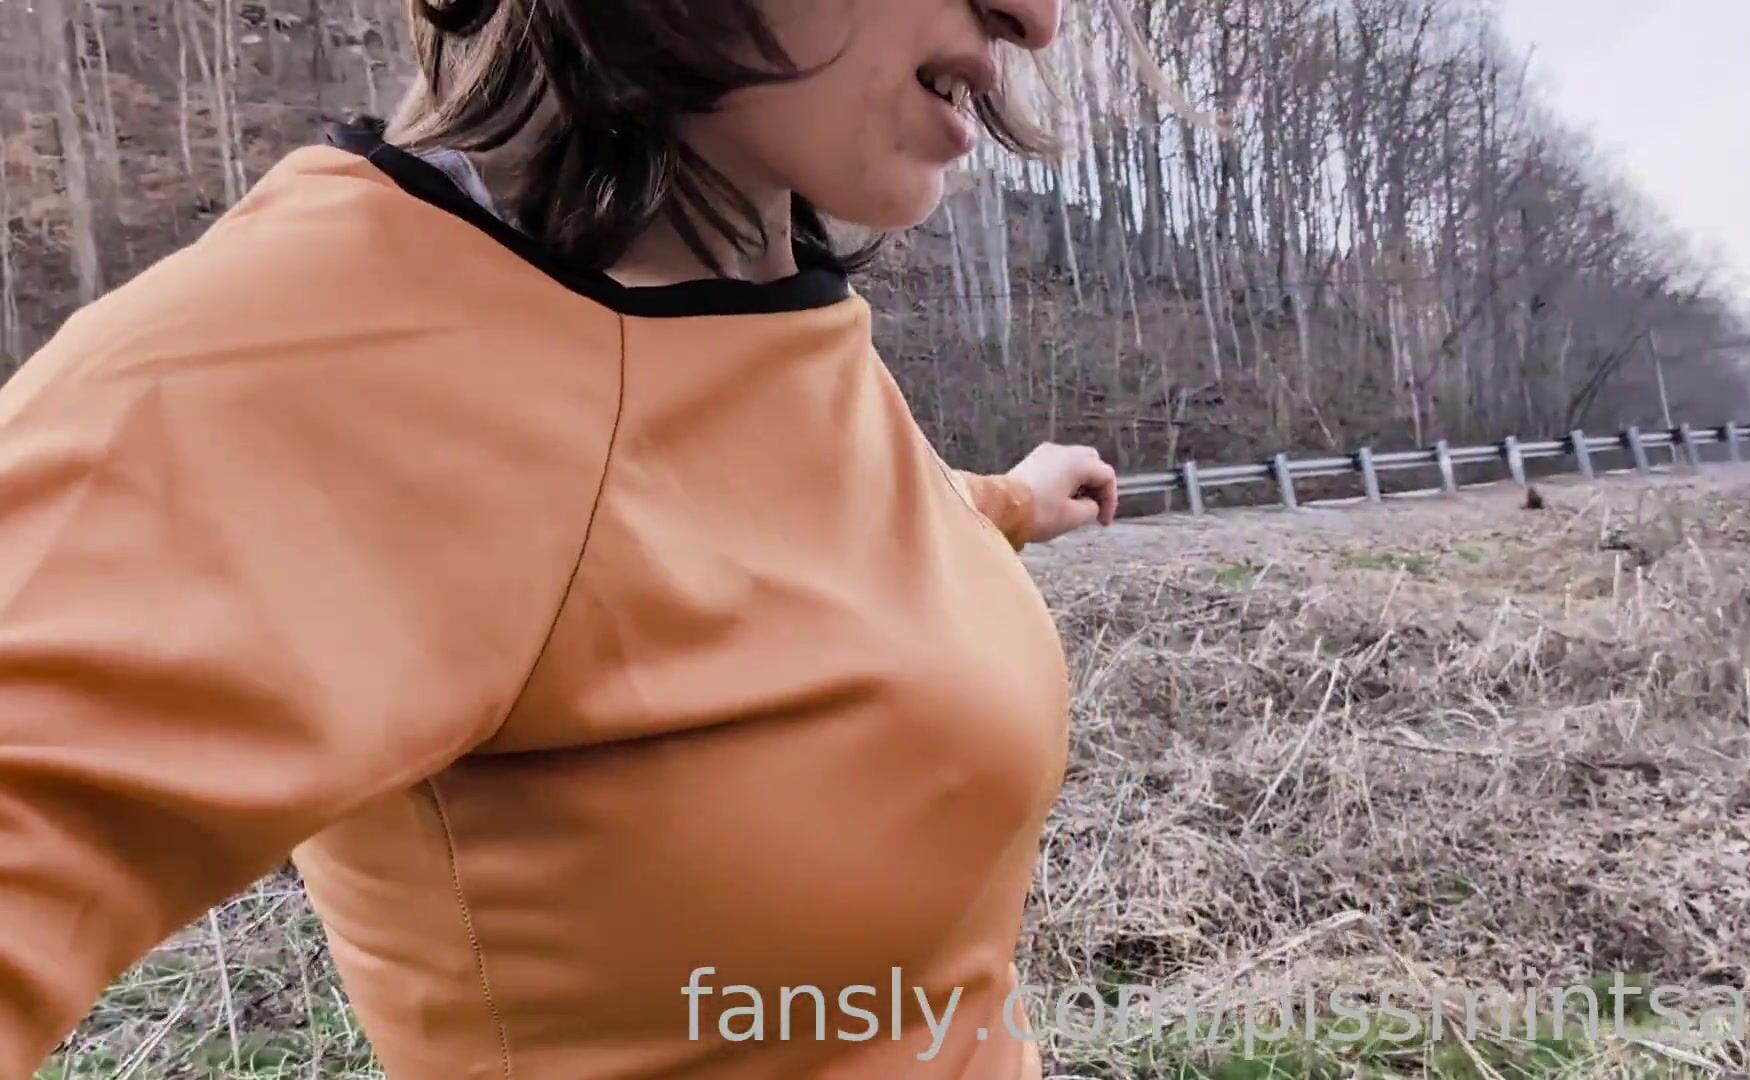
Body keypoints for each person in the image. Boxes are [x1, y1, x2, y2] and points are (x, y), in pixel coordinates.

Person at [0, 0, 1125, 1076]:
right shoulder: (342, 350)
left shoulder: (741, 282)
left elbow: (756, 538)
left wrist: (1010, 503)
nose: (1037, 18)